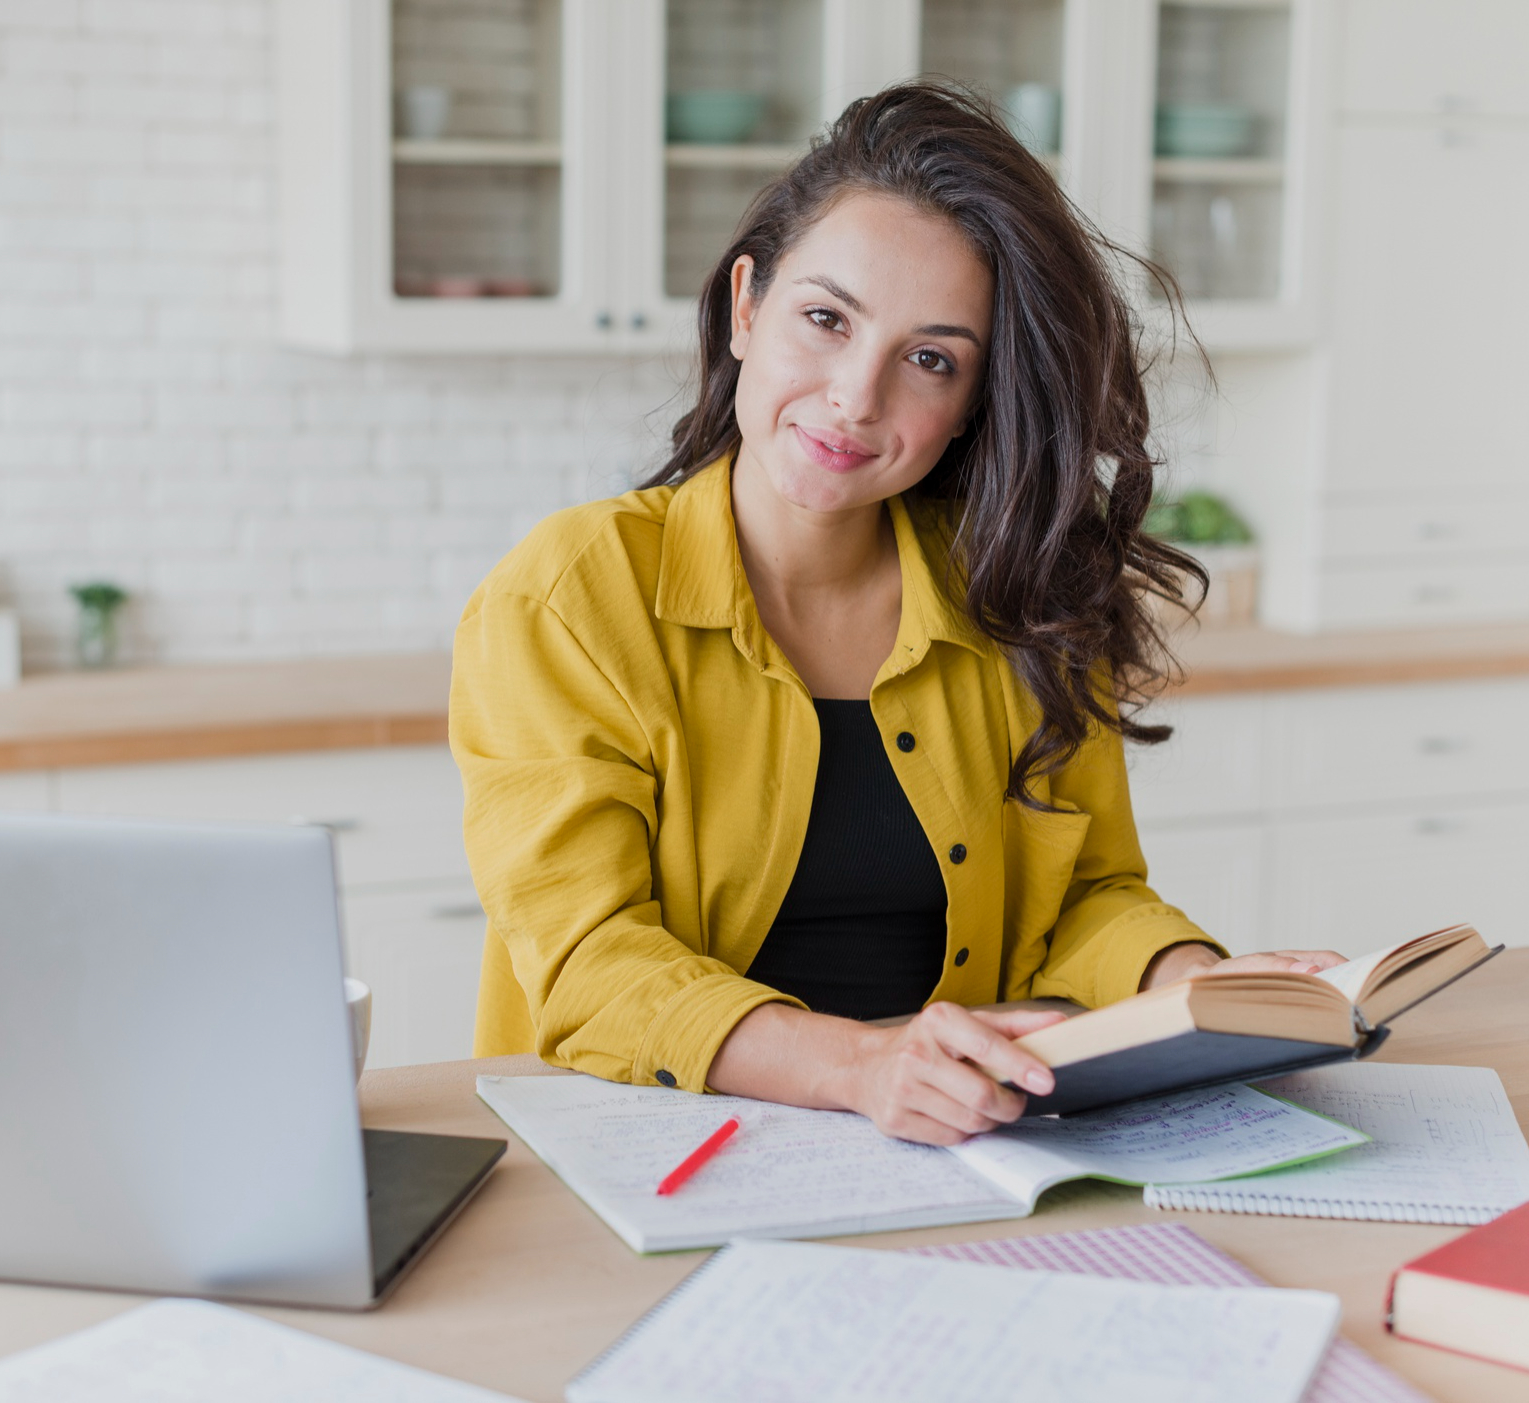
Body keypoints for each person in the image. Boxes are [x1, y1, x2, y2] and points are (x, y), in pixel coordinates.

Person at [449, 81, 1339, 1147]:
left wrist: (1198, 981)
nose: (854, 398)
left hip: (962, 1144)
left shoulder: (1017, 594)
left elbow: (1087, 894)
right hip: (650, 1149)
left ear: (969, 401)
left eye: (929, 359)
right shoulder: (569, 595)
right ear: (746, 306)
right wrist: (863, 1063)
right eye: (825, 319)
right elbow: (586, 959)